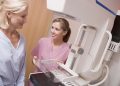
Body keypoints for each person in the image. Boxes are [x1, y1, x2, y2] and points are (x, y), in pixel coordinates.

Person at [29, 18, 71, 85]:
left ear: (64, 32)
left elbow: (65, 73)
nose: (53, 31)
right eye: (52, 27)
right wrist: (34, 62)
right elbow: (34, 60)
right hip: (35, 81)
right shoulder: (42, 41)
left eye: (57, 29)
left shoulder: (68, 50)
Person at [0, 0, 28, 86]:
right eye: (23, 16)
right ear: (9, 14)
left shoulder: (22, 40)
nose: (26, 20)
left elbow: (22, 69)